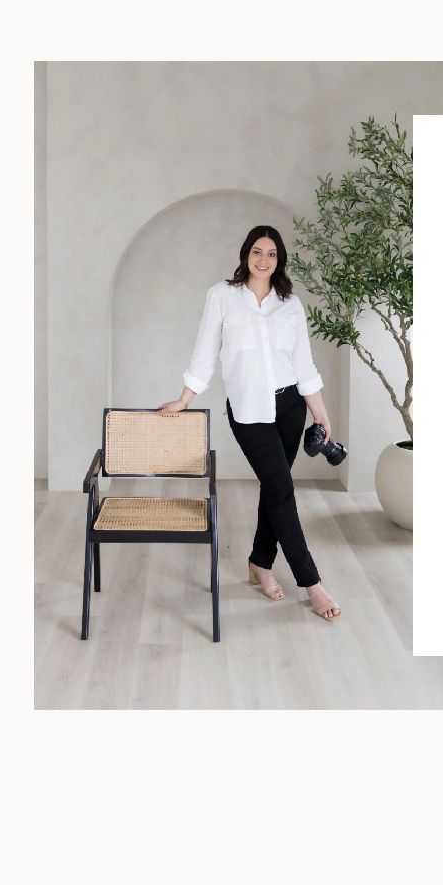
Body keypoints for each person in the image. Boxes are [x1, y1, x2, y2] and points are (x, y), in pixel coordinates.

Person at [157, 226, 342, 623]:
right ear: (245, 255)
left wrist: (320, 413)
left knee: (275, 490)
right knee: (282, 488)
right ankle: (311, 582)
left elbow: (303, 363)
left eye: (271, 254)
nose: (263, 259)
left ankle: (260, 562)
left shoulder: (290, 304)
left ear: (280, 260)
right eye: (257, 251)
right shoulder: (222, 297)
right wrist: (185, 399)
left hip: (291, 407)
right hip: (247, 410)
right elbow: (206, 351)